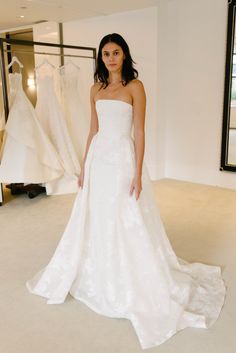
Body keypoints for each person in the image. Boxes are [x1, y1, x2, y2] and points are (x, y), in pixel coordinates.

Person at [26, 33, 226, 350]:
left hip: (121, 159)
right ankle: (99, 267)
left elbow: (140, 130)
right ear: (100, 58)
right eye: (105, 53)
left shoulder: (135, 87)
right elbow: (93, 129)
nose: (110, 58)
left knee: (125, 214)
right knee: (97, 215)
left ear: (124, 55)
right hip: (99, 159)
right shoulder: (95, 89)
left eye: (116, 52)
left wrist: (138, 172)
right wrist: (84, 165)